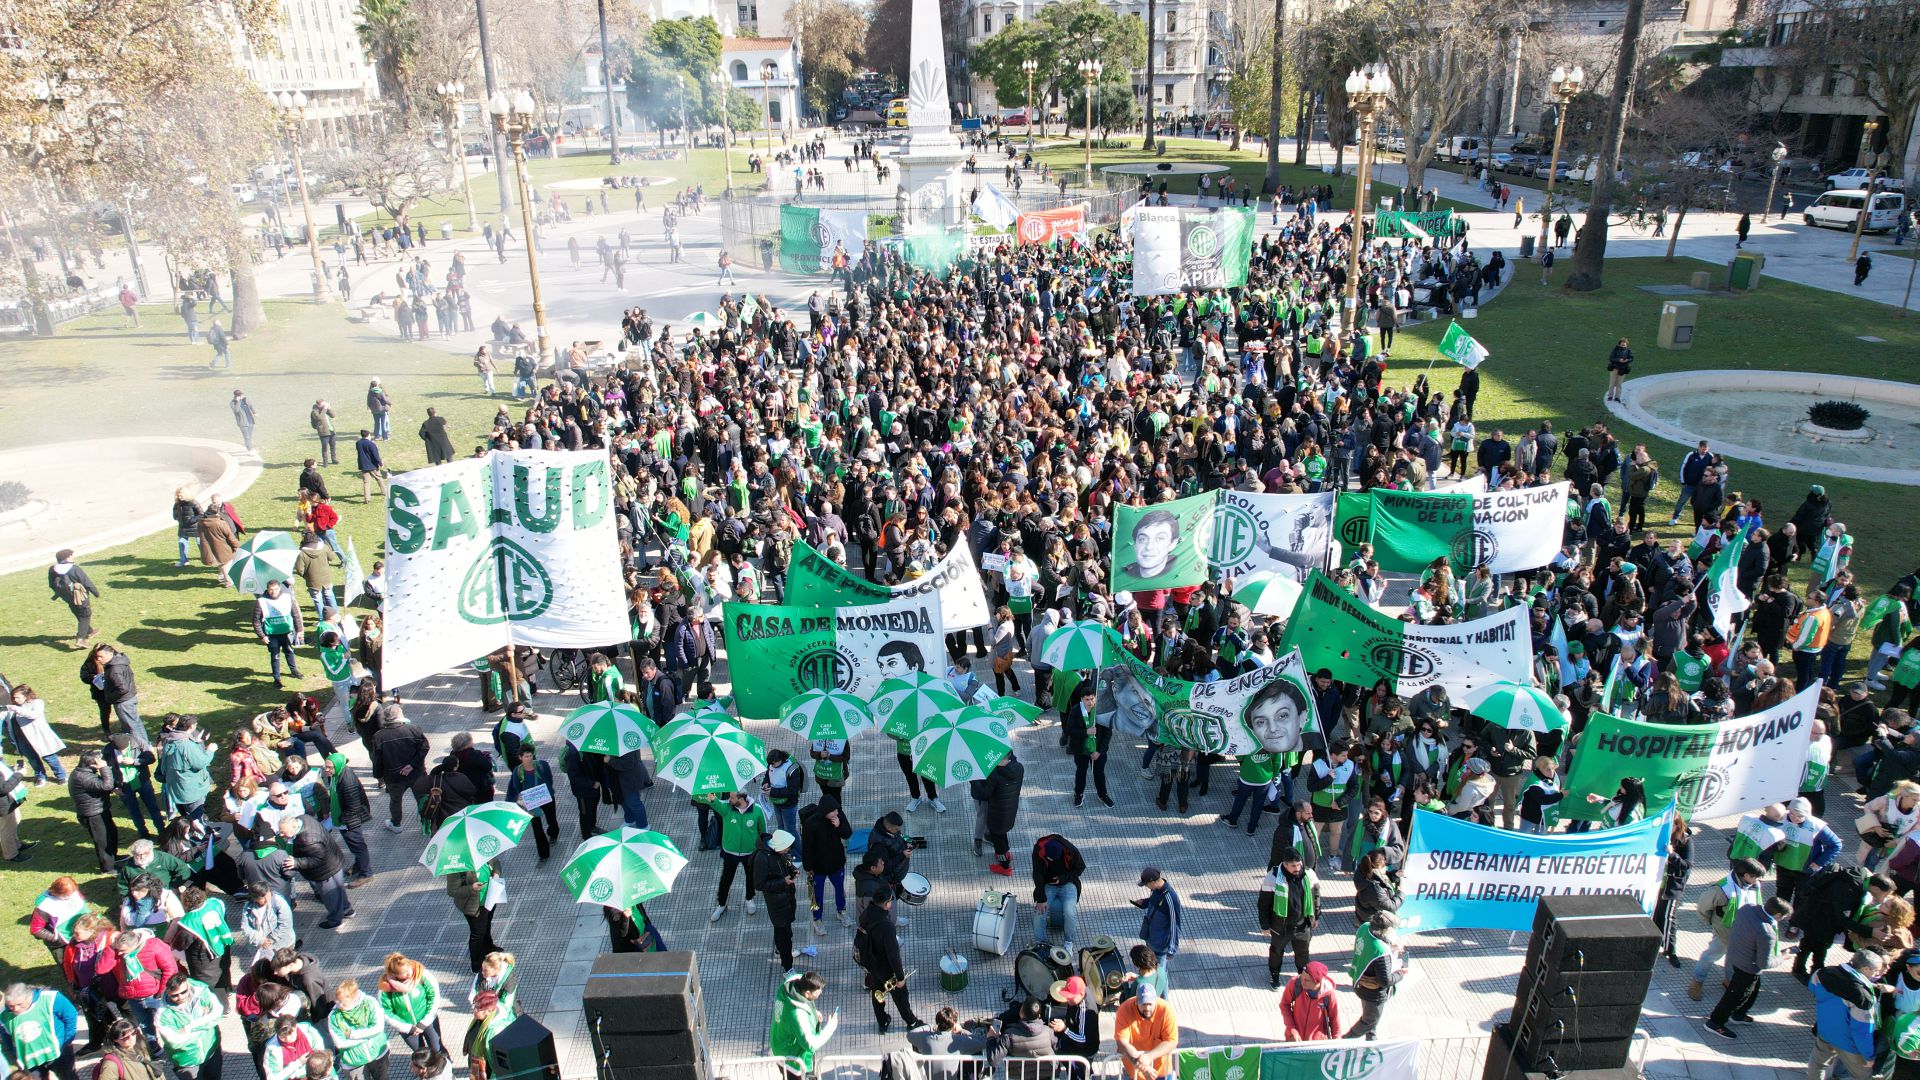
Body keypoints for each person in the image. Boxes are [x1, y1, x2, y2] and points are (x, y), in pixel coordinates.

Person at [1704, 896, 1790, 1039]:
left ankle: (1739, 1014)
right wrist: (1783, 957)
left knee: (1753, 988)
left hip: (1734, 955)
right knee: (1735, 996)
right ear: (1778, 915)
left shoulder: (1747, 909)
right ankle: (1715, 1022)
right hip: (1748, 967)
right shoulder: (1767, 932)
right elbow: (1765, 963)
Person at [1808, 949, 1886, 1080]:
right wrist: (1869, 1056)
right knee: (1863, 1076)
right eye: (1876, 971)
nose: (1878, 974)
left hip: (1824, 1030)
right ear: (1866, 968)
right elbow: (1862, 1030)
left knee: (1818, 1064)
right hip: (1848, 1042)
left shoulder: (1823, 973)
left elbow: (1812, 987)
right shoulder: (1863, 997)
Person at [855, 890, 921, 1033]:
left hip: (872, 964)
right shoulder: (887, 926)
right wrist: (900, 977)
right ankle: (912, 1022)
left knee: (877, 992)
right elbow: (893, 955)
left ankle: (882, 1021)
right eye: (891, 901)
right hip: (886, 968)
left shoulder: (866, 914)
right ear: (886, 904)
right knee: (901, 996)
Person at [755, 829, 815, 974]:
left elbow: (786, 861)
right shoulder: (762, 858)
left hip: (786, 897)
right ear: (779, 846)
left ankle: (779, 949)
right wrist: (783, 881)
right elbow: (759, 884)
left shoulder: (778, 851)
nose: (788, 851)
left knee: (781, 930)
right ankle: (788, 967)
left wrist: (792, 869)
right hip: (777, 903)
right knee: (785, 936)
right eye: (787, 849)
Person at [1344, 912, 1406, 1040]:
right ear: (1386, 930)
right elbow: (1385, 981)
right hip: (1373, 993)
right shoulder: (1380, 952)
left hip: (1360, 980)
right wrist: (1401, 973)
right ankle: (1346, 1040)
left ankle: (1371, 1041)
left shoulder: (1364, 928)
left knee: (1369, 1017)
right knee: (1369, 1021)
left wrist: (1391, 945)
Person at [1266, 847, 1321, 988]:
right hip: (1281, 925)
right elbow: (1264, 903)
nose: (1297, 868)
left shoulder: (1309, 874)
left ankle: (1303, 977)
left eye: (1298, 864)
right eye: (1293, 866)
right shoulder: (1273, 877)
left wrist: (1316, 915)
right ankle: (1274, 975)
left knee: (1303, 953)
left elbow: (1316, 896)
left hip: (1302, 925)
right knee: (1277, 951)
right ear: (1285, 864)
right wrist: (1265, 925)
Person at [1, 982, 80, 1080]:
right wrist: (16, 1056)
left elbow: (70, 1015)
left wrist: (68, 1040)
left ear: (28, 997)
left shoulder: (51, 998)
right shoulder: (4, 1015)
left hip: (59, 1053)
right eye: (11, 1006)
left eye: (19, 1004)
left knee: (69, 1077)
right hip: (31, 1060)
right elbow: (7, 1039)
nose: (15, 1009)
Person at [768, 971, 837, 1080]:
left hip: (779, 1044)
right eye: (818, 992)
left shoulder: (794, 983)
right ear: (807, 993)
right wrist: (830, 1028)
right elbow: (811, 1044)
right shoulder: (798, 1014)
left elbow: (779, 1014)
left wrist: (812, 1012)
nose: (821, 993)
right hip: (792, 1060)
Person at [153, 974, 223, 1080]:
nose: (180, 997)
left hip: (211, 1052)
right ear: (167, 992)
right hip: (188, 1062)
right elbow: (175, 1042)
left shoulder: (202, 992)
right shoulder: (163, 1015)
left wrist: (189, 1028)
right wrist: (206, 1022)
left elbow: (218, 1014)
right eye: (174, 995)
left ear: (188, 985)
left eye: (183, 992)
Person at [712, 791, 766, 921]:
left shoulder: (757, 810)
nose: (729, 799)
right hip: (730, 852)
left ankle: (749, 898)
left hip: (750, 852)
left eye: (732, 797)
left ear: (741, 799)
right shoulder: (727, 808)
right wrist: (711, 798)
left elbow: (762, 831)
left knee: (750, 877)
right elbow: (715, 803)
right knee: (726, 879)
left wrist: (762, 849)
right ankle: (721, 904)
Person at [379, 954, 445, 1057]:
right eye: (403, 973)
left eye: (408, 968)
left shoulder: (422, 975)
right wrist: (408, 1028)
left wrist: (424, 1022)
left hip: (427, 1021)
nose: (409, 973)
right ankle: (425, 1072)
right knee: (421, 1054)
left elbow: (434, 997)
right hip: (408, 1028)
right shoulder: (386, 988)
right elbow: (386, 1013)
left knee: (437, 1048)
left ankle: (444, 1069)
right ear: (395, 974)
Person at [505, 745, 561, 861]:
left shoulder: (542, 765)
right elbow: (517, 786)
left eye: (530, 756)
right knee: (537, 828)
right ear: (520, 757)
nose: (529, 758)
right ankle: (543, 854)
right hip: (531, 801)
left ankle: (553, 834)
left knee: (551, 818)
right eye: (526, 756)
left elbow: (549, 780)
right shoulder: (517, 771)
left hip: (546, 797)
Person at [327, 978, 390, 1080]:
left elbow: (378, 1028)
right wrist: (368, 1037)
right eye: (338, 1001)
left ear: (353, 997)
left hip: (378, 1053)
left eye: (343, 1002)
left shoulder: (370, 1003)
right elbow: (340, 1044)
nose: (339, 1005)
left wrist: (352, 1035)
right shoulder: (334, 1016)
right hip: (354, 1062)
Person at [1031, 833, 1085, 950]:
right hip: (1048, 885)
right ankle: (1040, 943)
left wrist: (1063, 878)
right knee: (1039, 913)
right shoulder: (1038, 850)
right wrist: (1041, 899)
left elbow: (1080, 867)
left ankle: (1068, 942)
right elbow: (1037, 874)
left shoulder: (1070, 850)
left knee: (1070, 913)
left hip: (1068, 884)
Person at [1061, 683, 1112, 807]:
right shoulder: (1075, 710)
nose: (1090, 702)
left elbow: (1108, 734)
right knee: (1081, 773)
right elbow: (1069, 730)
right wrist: (1086, 732)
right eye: (1087, 699)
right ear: (1081, 699)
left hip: (1097, 751)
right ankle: (1078, 794)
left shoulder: (1100, 710)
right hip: (1081, 750)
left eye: (1092, 699)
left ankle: (1102, 794)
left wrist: (1099, 751)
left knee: (1099, 773)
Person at [446, 859, 501, 973]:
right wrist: (472, 888)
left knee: (486, 925)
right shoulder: (457, 864)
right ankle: (477, 964)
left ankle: (488, 947)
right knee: (477, 934)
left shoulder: (481, 853)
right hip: (474, 906)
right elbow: (452, 890)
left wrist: (496, 873)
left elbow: (496, 863)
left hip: (490, 898)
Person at [1113, 983, 1178, 1080]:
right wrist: (1144, 1068)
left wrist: (1149, 1057)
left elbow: (1171, 1042)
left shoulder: (1166, 1010)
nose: (1147, 1008)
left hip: (1161, 1071)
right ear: (1136, 1002)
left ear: (1155, 1001)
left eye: (1150, 1004)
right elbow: (1122, 1044)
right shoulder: (1124, 1010)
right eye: (1143, 1004)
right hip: (1133, 1073)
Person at [1133, 868, 1183, 974]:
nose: (1146, 887)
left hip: (1160, 945)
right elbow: (1153, 900)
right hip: (1150, 938)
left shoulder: (1171, 898)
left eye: (1146, 884)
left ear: (1152, 882)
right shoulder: (1154, 890)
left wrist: (1172, 949)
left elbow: (1175, 925)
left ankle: (1162, 991)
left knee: (1160, 973)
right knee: (1150, 969)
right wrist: (1144, 903)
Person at [1279, 962, 1340, 1042]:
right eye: (1302, 977)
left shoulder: (1329, 994)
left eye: (1306, 980)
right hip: (1294, 1039)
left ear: (1317, 983)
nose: (1302, 982)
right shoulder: (1295, 984)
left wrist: (1337, 1042)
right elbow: (1284, 1005)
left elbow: (1335, 1019)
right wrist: (1291, 1029)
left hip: (1317, 1043)